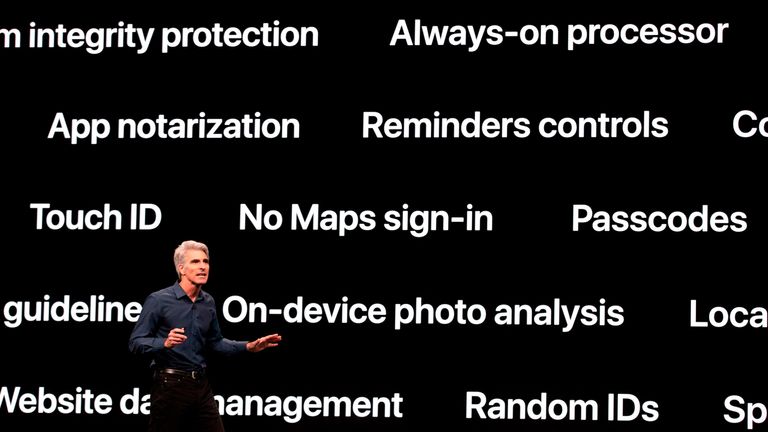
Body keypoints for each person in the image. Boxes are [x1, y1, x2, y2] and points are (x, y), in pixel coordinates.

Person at [129, 240, 281, 432]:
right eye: (195, 262)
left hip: (201, 385)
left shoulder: (207, 301)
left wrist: (248, 346)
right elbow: (135, 342)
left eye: (205, 261)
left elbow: (215, 343)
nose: (203, 267)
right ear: (181, 269)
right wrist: (163, 343)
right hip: (170, 386)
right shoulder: (159, 300)